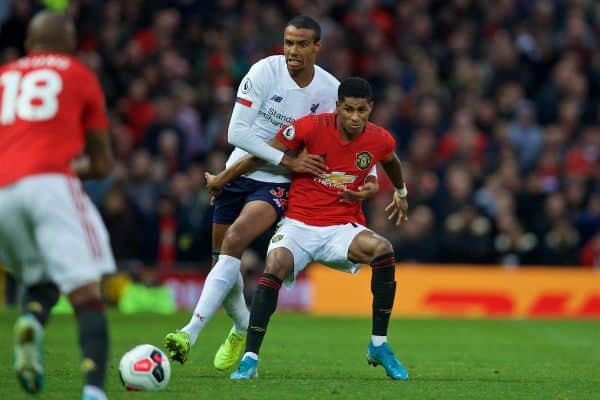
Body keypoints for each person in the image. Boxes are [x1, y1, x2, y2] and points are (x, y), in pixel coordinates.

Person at [165, 15, 379, 370]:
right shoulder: (264, 72)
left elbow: (352, 133)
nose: (292, 51)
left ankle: (189, 332)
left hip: (277, 184)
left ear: (316, 47)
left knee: (236, 239)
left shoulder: (329, 90)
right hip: (239, 170)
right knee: (223, 262)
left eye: (301, 44)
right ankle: (240, 326)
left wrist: (368, 172)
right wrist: (285, 158)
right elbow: (237, 133)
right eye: (288, 43)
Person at [206, 77, 410, 380]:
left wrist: (401, 192)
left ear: (371, 109)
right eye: (349, 109)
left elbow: (390, 161)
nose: (355, 117)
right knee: (274, 263)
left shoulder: (379, 139)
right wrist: (223, 178)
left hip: (341, 227)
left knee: (383, 250)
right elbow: (262, 154)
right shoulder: (310, 127)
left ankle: (379, 345)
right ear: (338, 106)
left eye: (362, 111)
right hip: (298, 224)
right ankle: (249, 359)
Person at [0, 11, 115, 400]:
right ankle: (94, 391)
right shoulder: (78, 73)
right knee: (87, 293)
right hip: (50, 184)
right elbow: (101, 163)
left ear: (29, 44)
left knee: (41, 277)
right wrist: (72, 166)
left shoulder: (4, 76)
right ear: (68, 45)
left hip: (2, 193)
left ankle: (31, 317)